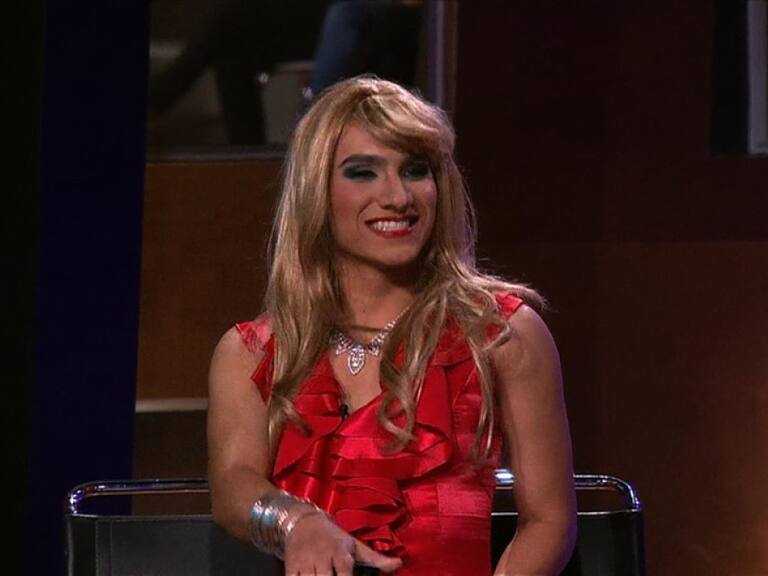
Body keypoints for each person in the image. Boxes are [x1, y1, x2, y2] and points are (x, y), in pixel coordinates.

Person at [207, 76, 577, 575]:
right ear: (316, 190)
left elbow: (549, 521)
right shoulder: (253, 353)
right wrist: (295, 521)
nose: (398, 196)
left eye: (415, 170)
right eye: (363, 172)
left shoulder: (503, 335)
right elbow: (232, 486)